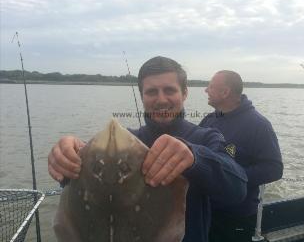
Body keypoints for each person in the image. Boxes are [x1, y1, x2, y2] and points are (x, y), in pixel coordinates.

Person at [48, 57, 248, 242]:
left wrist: (196, 158)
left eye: (169, 90)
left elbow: (238, 189)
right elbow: (78, 187)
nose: (161, 99)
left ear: (184, 93)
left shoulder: (205, 138)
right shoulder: (125, 142)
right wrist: (67, 159)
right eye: (151, 92)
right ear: (142, 96)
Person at [199, 70, 283, 241]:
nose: (206, 90)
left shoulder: (258, 125)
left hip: (237, 217)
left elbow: (274, 168)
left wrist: (232, 175)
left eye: (211, 86)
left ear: (225, 92)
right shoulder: (209, 120)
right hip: (205, 211)